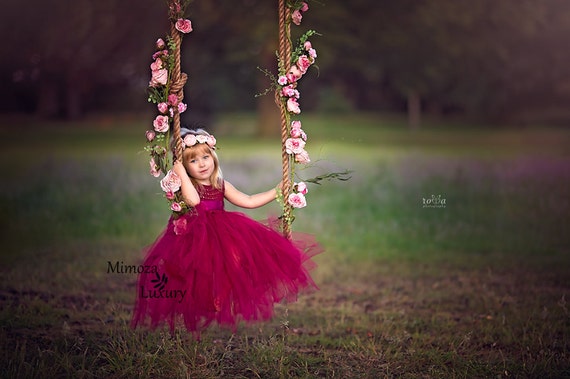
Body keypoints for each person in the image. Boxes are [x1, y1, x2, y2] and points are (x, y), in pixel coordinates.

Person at [131, 128, 320, 336]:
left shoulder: (221, 185)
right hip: (195, 235)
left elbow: (248, 201)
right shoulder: (185, 186)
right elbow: (193, 201)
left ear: (213, 157)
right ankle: (207, 297)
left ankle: (221, 295)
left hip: (222, 231)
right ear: (184, 166)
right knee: (197, 271)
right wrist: (180, 174)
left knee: (235, 259)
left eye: (205, 157)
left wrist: (276, 191)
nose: (202, 164)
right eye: (193, 161)